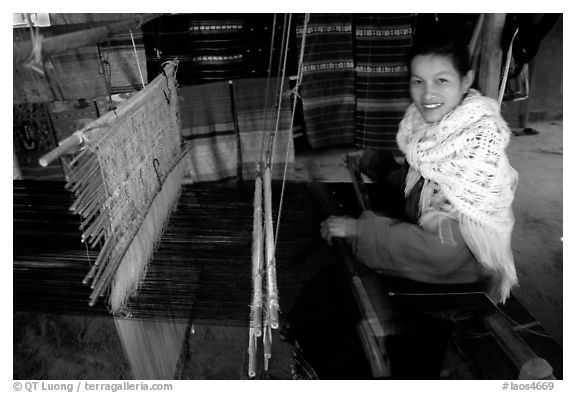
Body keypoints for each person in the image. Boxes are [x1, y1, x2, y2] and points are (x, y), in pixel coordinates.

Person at [320, 28, 519, 304]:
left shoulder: (476, 144)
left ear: (466, 81)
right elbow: (421, 184)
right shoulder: (428, 126)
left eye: (441, 80)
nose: (427, 94)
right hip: (433, 238)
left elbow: (444, 252)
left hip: (462, 264)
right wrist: (375, 163)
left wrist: (360, 231)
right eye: (418, 81)